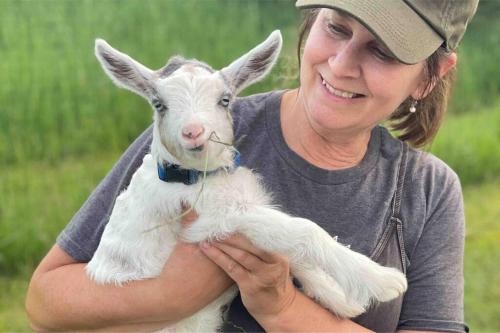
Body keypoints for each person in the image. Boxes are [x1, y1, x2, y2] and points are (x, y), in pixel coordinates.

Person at [26, 0, 479, 332]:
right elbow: (46, 302)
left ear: (429, 76)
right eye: (337, 28)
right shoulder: (195, 133)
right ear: (310, 23)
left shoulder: (427, 190)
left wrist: (283, 308)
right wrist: (171, 294)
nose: (341, 66)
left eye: (382, 50)